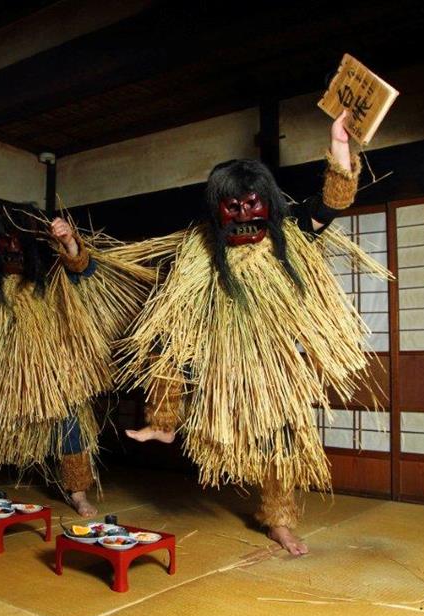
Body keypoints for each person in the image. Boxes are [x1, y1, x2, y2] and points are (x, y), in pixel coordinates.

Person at [120, 111, 389, 555]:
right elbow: (180, 305)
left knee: (281, 444)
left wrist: (340, 147)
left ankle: (279, 520)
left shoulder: (291, 233)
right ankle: (164, 424)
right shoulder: (202, 247)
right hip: (219, 352)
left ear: (268, 202)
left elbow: (332, 204)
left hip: (273, 363)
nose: (244, 214)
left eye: (252, 203)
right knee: (164, 347)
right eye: (233, 206)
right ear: (218, 211)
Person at [0, 209, 154, 517]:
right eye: (4, 241)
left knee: (69, 420)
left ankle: (78, 492)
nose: (12, 248)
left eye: (20, 241)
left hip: (50, 369)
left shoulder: (53, 277)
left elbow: (81, 268)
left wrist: (70, 241)